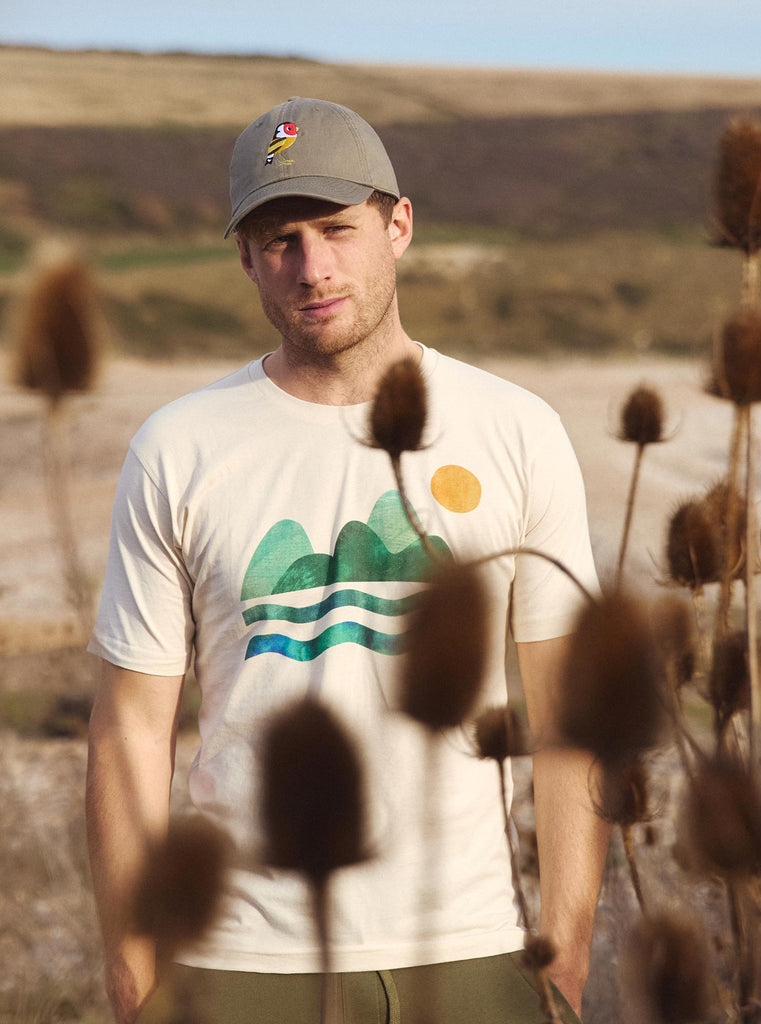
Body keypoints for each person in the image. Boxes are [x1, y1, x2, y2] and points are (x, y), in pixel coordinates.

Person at [86, 96, 609, 1024]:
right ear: (245, 256)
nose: (312, 268)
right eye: (279, 240)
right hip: (237, 959)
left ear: (397, 225)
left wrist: (563, 955)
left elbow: (570, 711)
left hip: (470, 948)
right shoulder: (179, 447)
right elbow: (130, 730)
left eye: (336, 228)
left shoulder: (515, 429)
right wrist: (135, 975)